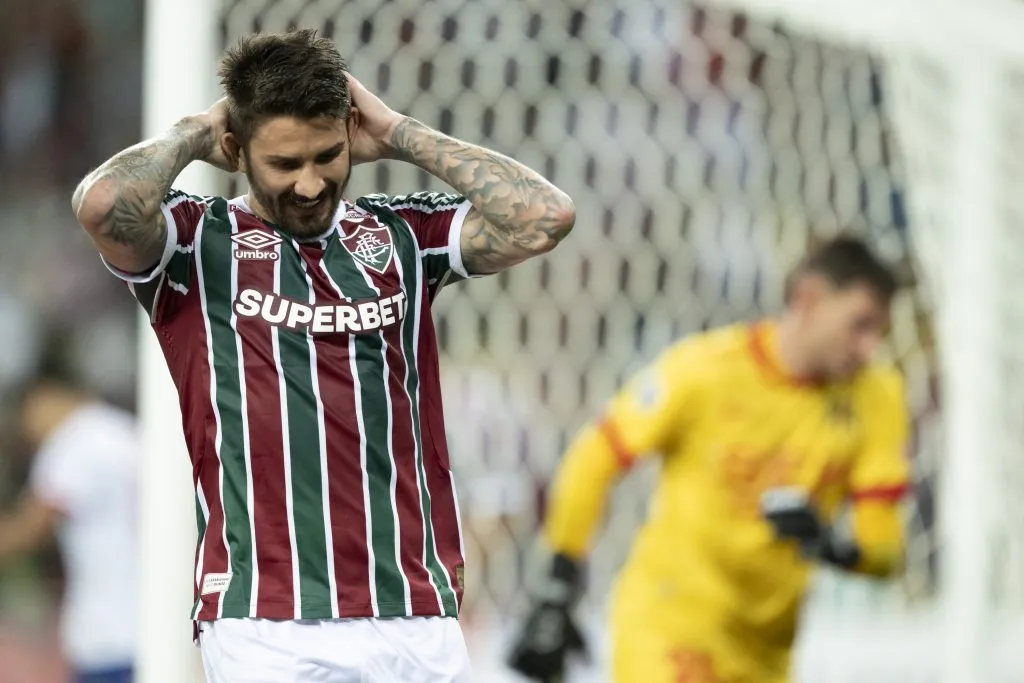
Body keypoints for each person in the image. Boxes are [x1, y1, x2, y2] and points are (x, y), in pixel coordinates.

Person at [71, 28, 575, 683]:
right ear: (237, 151)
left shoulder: (399, 237)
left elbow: (545, 215)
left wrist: (398, 132)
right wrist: (198, 130)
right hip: (270, 619)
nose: (310, 184)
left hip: (416, 609)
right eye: (284, 163)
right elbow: (103, 205)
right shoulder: (196, 243)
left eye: (327, 155)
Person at [508, 236, 910, 683]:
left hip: (767, 655)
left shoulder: (878, 397)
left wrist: (833, 544)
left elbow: (886, 552)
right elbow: (595, 458)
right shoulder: (706, 370)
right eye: (860, 325)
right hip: (671, 631)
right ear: (807, 298)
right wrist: (559, 585)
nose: (869, 347)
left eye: (880, 333)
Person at [0, 364, 138, 683]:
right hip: (153, 625)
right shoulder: (127, 432)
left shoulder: (74, 442)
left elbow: (30, 528)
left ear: (41, 401)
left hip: (108, 634)